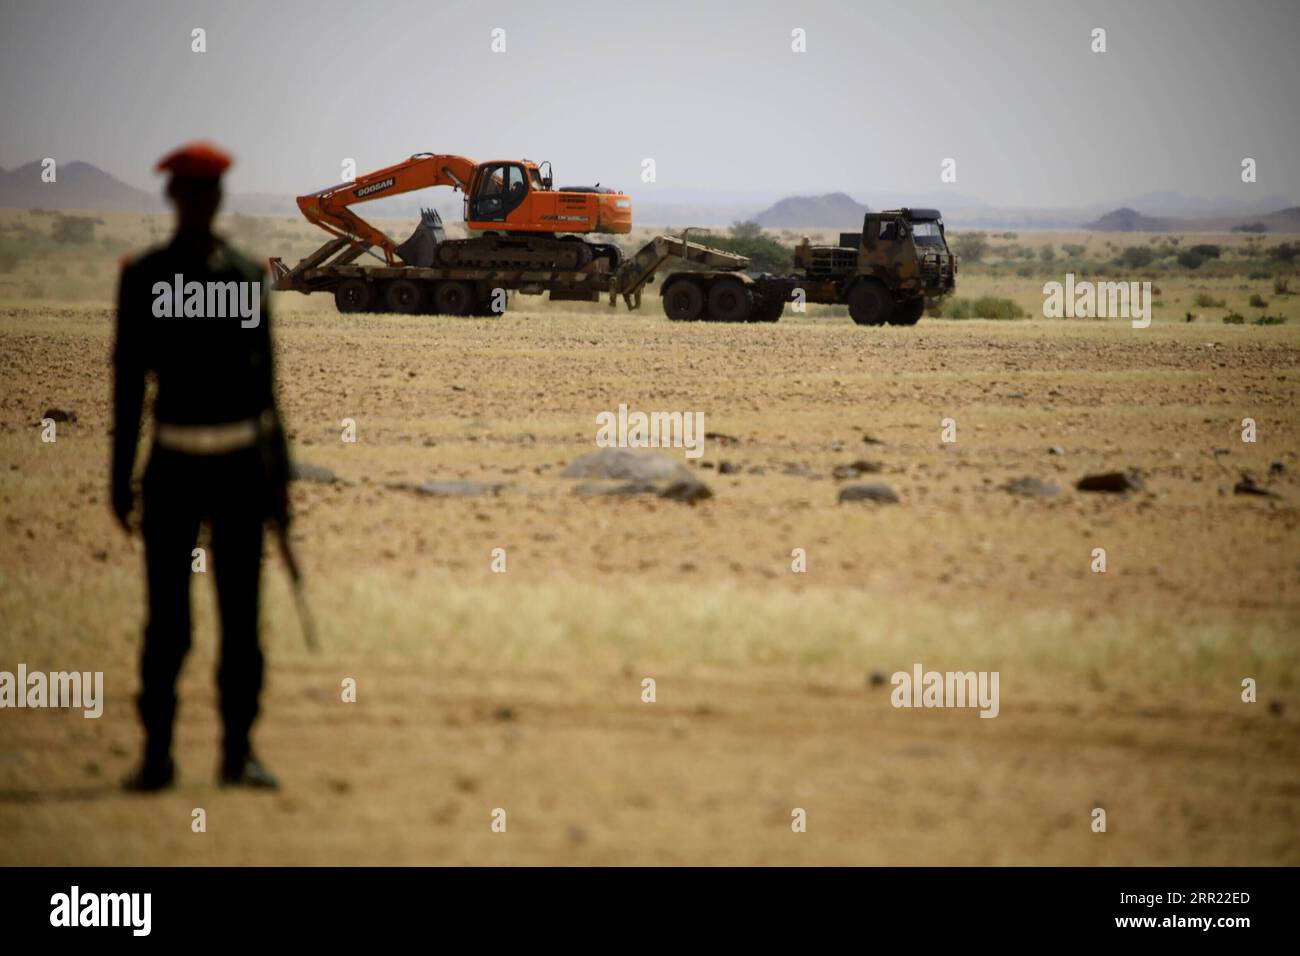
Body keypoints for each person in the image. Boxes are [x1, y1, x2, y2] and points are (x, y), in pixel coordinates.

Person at [112, 142, 290, 791]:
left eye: (205, 192)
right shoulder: (145, 277)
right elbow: (128, 386)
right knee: (169, 625)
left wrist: (280, 479)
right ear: (175, 200)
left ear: (216, 199)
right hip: (174, 470)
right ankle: (157, 756)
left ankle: (237, 753)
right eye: (188, 193)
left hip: (241, 469)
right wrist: (117, 477)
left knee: (241, 622)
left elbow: (269, 390)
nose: (196, 202)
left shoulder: (246, 277)